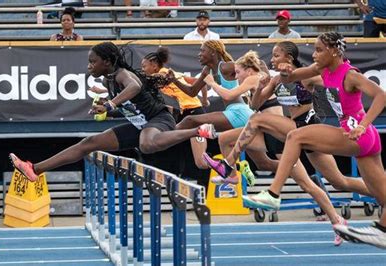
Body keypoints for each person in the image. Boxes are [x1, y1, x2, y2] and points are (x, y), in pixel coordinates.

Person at [204, 41, 373, 245]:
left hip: (308, 127)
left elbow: (335, 82)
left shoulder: (305, 76)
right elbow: (256, 105)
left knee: (339, 180)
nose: (272, 59)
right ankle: (338, 221)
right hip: (292, 132)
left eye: (276, 56)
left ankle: (228, 165)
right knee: (322, 183)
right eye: (273, 56)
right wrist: (260, 86)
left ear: (289, 58)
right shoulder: (275, 80)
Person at [10, 42, 217, 183]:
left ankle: (197, 131)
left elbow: (134, 87)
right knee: (89, 143)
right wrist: (108, 110)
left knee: (146, 144)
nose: (89, 66)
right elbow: (131, 108)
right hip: (141, 124)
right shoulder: (109, 80)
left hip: (159, 120)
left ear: (107, 62)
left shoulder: (121, 74)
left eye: (93, 61)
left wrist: (110, 104)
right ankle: (35, 169)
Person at [252, 32, 386, 249]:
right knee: (382, 197)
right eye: (314, 49)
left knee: (295, 136)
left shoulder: (349, 75)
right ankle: (383, 231)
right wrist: (285, 72)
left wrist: (362, 125)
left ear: (334, 51)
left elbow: (381, 95)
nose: (314, 54)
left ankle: (273, 193)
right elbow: (292, 78)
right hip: (364, 140)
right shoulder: (321, 70)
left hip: (357, 133)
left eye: (319, 50)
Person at [171, 41, 278, 184]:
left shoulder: (226, 66)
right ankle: (295, 171)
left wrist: (263, 74)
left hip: (239, 112)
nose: (199, 54)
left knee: (191, 120)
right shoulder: (206, 71)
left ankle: (165, 137)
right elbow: (192, 91)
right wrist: (174, 80)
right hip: (236, 113)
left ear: (213, 53)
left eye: (202, 51)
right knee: (264, 164)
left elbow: (248, 65)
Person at [141, 46, 209, 122]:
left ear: (154, 66)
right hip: (193, 109)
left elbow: (159, 77)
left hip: (191, 110)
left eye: (144, 66)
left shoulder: (162, 74)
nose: (142, 69)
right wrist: (204, 100)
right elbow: (201, 81)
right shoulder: (175, 74)